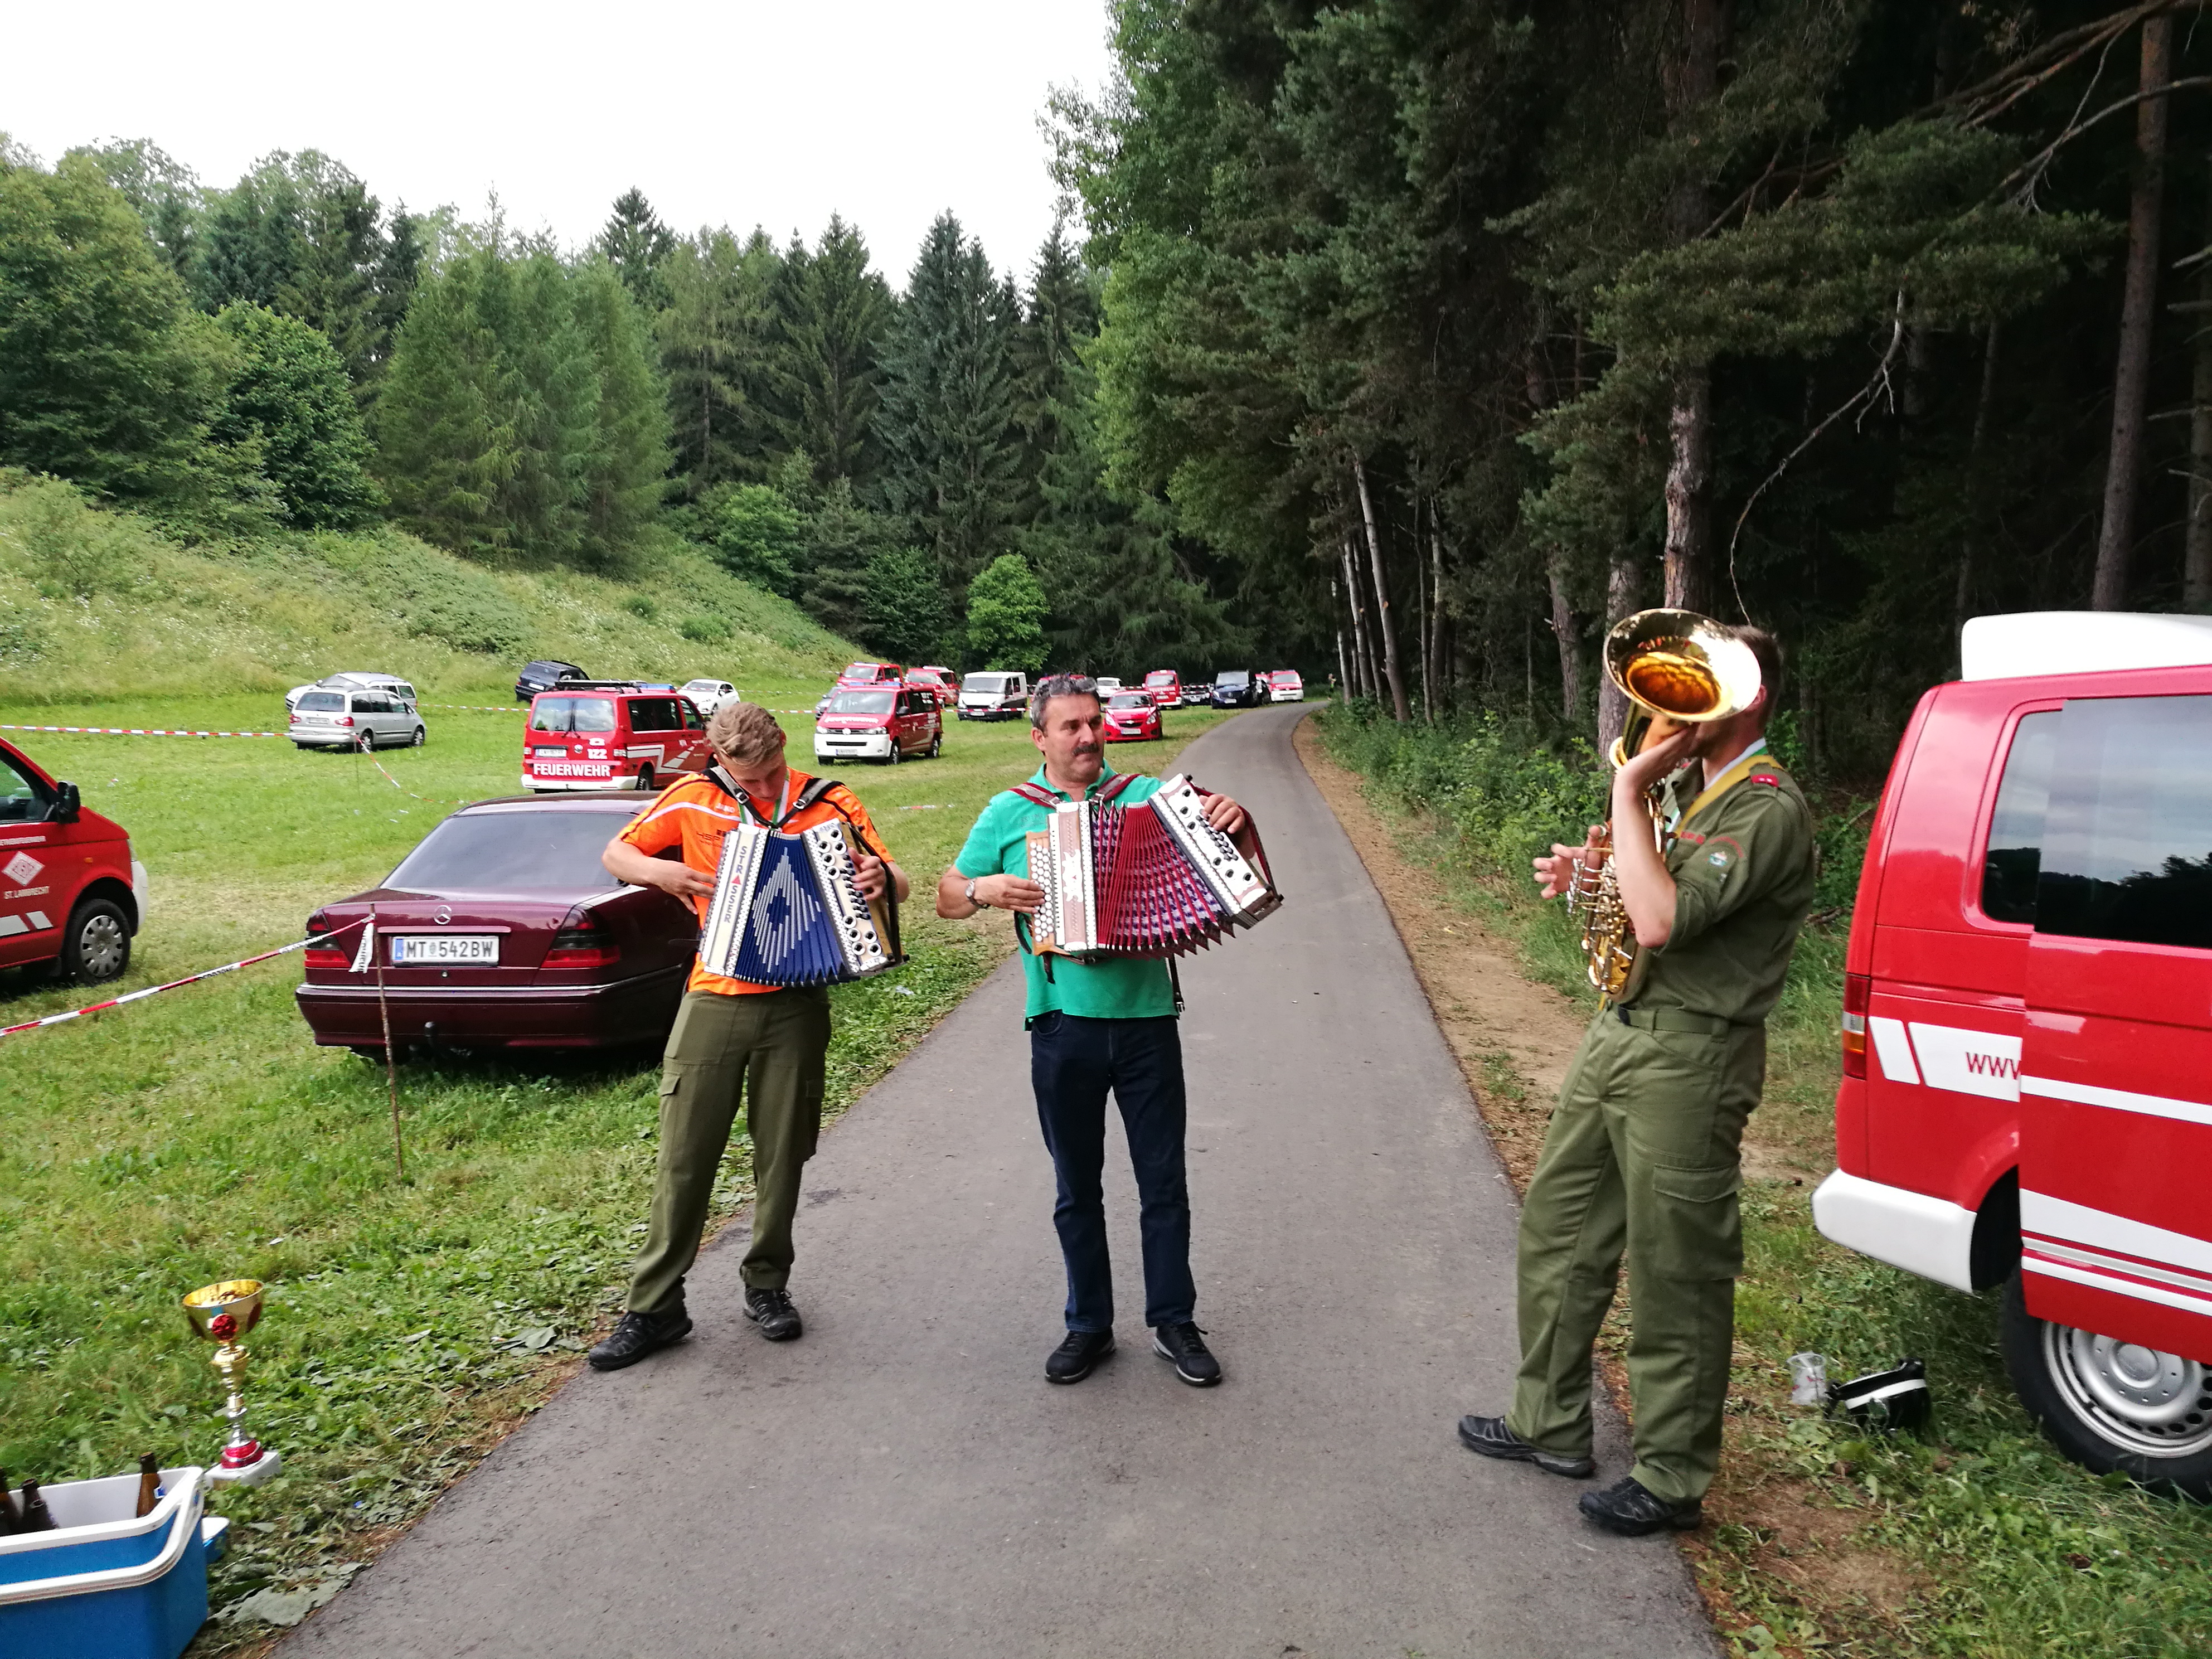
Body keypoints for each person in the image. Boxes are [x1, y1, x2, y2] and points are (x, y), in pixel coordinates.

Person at [1456, 625, 1814, 1536]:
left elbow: (1659, 924)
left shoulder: (1766, 807)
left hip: (1692, 1058)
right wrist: (1592, 872)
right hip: (1619, 1033)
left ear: (1750, 698)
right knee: (1559, 1227)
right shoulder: (1693, 797)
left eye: (1703, 686)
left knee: (1673, 1268)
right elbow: (1641, 896)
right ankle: (1547, 1420)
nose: (1676, 705)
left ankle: (1670, 1475)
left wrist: (1626, 791)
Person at [937, 673, 1251, 1388]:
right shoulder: (1009, 811)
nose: (1087, 737)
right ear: (1039, 738)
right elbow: (947, 897)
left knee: (1162, 1182)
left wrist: (1229, 816)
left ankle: (1173, 1320)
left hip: (1146, 1021)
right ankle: (1088, 1324)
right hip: (1060, 1025)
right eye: (1070, 727)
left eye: (1092, 723)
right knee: (1075, 1186)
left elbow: (1222, 852)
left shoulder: (1146, 798)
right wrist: (984, 889)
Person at [587, 700, 908, 1371]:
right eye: (747, 777)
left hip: (797, 1000)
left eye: (770, 773)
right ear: (720, 760)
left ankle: (766, 1285)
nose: (762, 788)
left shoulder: (830, 801)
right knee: (684, 1154)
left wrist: (882, 878)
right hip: (715, 993)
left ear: (783, 743)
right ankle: (655, 1308)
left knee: (782, 1153)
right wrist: (663, 872)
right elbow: (616, 852)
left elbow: (895, 880)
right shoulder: (693, 797)